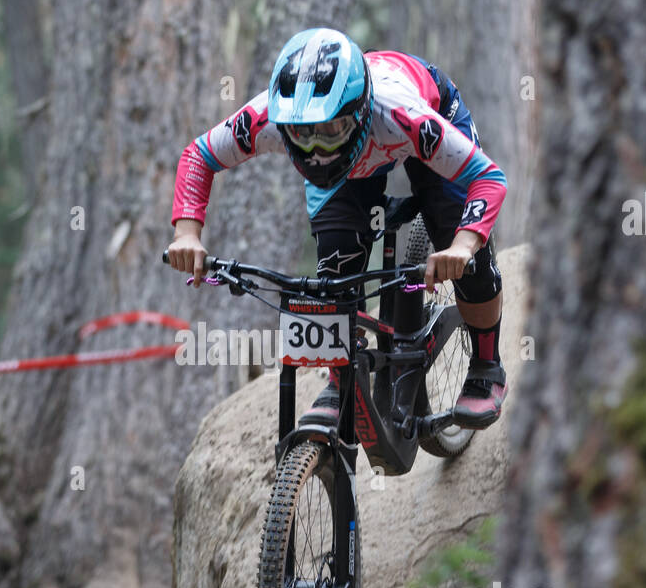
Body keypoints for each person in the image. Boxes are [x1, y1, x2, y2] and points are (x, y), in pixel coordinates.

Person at [166, 27, 508, 430]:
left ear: (358, 113)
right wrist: (186, 234)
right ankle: (340, 378)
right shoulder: (272, 116)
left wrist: (464, 246)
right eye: (302, 135)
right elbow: (200, 155)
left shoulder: (401, 114)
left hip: (419, 116)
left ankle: (487, 365)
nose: (316, 151)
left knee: (459, 236)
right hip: (356, 167)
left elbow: (488, 178)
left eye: (330, 132)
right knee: (335, 274)